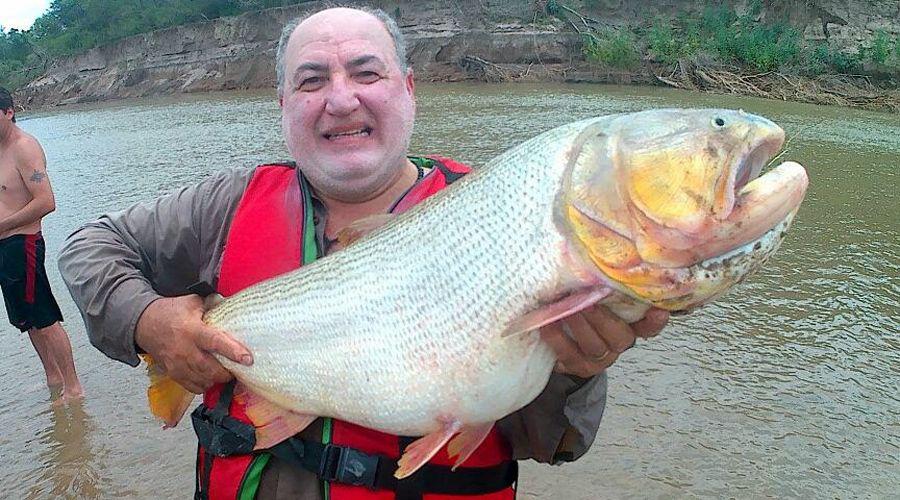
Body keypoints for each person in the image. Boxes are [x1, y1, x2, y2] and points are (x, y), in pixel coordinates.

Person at [57, 6, 669, 500]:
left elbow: (555, 442)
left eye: (366, 73)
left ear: (408, 89)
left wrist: (578, 370)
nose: (341, 99)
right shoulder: (223, 205)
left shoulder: (506, 218)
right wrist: (149, 322)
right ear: (284, 105)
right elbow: (89, 247)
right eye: (312, 80)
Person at [0, 87, 83, 404]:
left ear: (8, 112)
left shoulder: (24, 148)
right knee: (26, 321)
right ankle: (53, 379)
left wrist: (4, 226)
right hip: (4, 249)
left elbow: (47, 202)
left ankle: (73, 386)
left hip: (24, 244)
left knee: (45, 318)